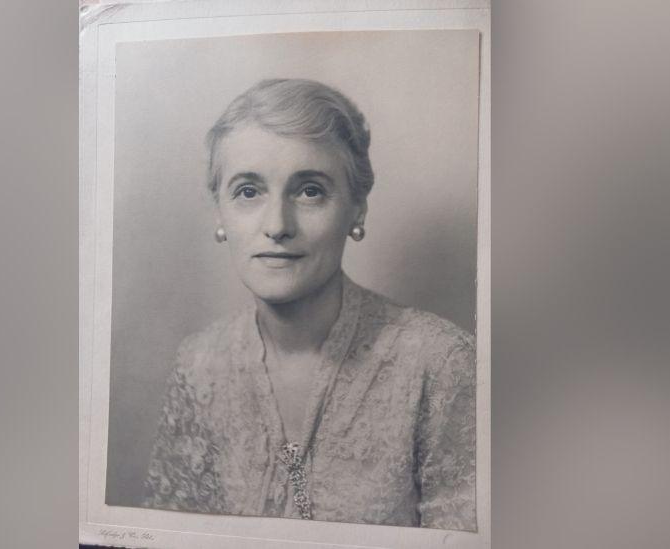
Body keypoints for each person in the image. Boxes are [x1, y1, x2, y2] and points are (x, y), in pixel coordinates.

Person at [144, 78, 476, 531]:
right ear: (219, 212)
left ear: (357, 209)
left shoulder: (440, 363)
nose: (277, 225)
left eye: (310, 191)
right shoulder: (199, 364)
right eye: (248, 191)